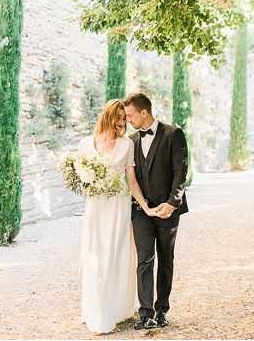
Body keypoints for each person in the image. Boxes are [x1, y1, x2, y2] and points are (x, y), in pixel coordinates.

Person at [78, 99, 157, 334]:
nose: (124, 123)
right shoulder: (85, 144)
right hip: (96, 207)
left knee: (116, 255)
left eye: (126, 118)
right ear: (109, 116)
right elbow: (81, 178)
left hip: (119, 208)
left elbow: (131, 179)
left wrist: (144, 205)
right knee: (96, 257)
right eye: (120, 118)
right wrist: (90, 184)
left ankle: (116, 308)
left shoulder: (126, 145)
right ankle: (97, 308)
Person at [123, 93, 189, 330]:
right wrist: (143, 206)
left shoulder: (173, 134)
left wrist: (172, 203)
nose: (128, 120)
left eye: (130, 115)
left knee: (166, 258)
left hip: (167, 209)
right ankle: (145, 313)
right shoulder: (130, 141)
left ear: (144, 112)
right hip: (141, 210)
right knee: (144, 259)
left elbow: (180, 171)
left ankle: (162, 310)